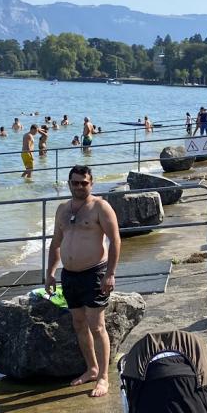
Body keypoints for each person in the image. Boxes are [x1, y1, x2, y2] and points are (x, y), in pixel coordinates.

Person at [45, 165, 121, 398]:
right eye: (75, 182)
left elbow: (115, 240)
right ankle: (91, 369)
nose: (79, 186)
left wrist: (110, 274)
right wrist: (50, 272)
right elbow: (56, 242)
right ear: (69, 184)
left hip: (94, 273)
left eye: (84, 183)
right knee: (79, 323)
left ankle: (104, 378)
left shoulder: (100, 207)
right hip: (69, 275)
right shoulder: (62, 210)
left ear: (91, 183)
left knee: (97, 325)